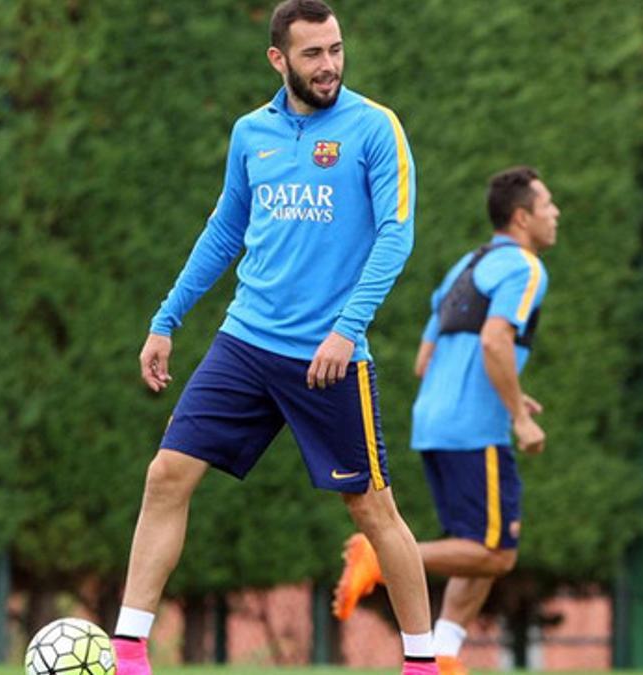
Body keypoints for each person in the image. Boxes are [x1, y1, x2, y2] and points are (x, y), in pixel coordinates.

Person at [110, 2, 438, 674]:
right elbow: (225, 232)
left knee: (372, 508)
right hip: (245, 343)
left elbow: (396, 234)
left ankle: (423, 662)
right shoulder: (249, 133)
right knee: (166, 474)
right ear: (277, 59)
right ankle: (129, 649)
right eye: (313, 53)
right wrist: (165, 319)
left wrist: (347, 331)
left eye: (336, 49)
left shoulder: (376, 128)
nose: (330, 66)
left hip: (329, 358)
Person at [332, 166, 558, 675]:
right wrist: (518, 414)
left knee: (475, 543)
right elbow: (495, 340)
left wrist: (514, 392)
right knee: (495, 554)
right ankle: (378, 559)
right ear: (522, 218)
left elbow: (424, 359)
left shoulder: (469, 264)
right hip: (475, 428)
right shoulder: (525, 268)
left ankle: (444, 651)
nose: (555, 214)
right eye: (548, 206)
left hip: (434, 420)